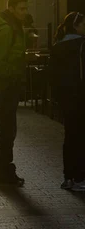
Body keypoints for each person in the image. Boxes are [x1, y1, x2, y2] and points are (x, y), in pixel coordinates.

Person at [0, 0, 28, 188]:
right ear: (11, 9)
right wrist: (14, 74)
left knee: (8, 130)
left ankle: (4, 169)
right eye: (21, 9)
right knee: (7, 131)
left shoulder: (13, 26)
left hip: (7, 84)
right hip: (6, 85)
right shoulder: (6, 29)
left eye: (25, 8)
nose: (24, 12)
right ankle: (2, 173)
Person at [50, 12, 85, 191]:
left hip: (65, 98)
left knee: (70, 136)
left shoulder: (57, 46)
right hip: (80, 97)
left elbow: (53, 76)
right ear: (76, 26)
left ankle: (68, 177)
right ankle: (80, 177)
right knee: (81, 137)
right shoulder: (81, 45)